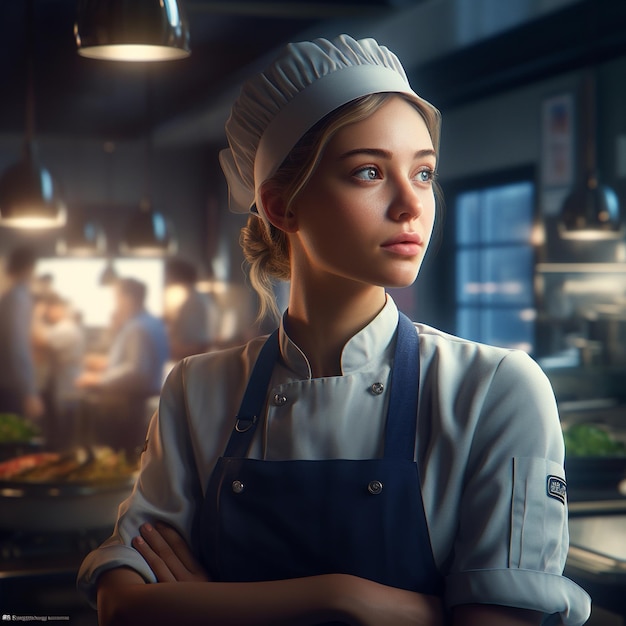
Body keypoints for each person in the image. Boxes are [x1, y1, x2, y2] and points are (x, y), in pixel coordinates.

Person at [77, 35, 591, 625]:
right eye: (369, 172)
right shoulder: (196, 390)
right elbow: (120, 602)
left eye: (424, 173)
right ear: (280, 206)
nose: (410, 205)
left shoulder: (497, 390)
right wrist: (347, 600)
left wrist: (207, 605)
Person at [75, 277, 169, 453]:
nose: (115, 303)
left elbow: (136, 370)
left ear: (128, 298)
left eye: (117, 298)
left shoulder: (137, 326)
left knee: (119, 454)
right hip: (140, 398)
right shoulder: (152, 322)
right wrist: (107, 364)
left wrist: (98, 379)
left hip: (129, 403)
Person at [32, 293, 86, 449]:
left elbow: (40, 340)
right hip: (65, 389)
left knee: (61, 438)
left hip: (66, 391)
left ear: (58, 308)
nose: (48, 313)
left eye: (50, 308)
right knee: (60, 434)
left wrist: (35, 315)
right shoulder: (64, 328)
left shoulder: (65, 329)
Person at [0, 245, 44, 421]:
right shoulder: (18, 298)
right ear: (29, 268)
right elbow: (18, 348)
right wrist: (29, 392)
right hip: (12, 388)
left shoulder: (9, 297)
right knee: (16, 440)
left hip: (7, 384)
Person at [164, 257, 216, 360]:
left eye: (169, 275)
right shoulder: (201, 298)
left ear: (177, 276)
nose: (167, 279)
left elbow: (197, 344)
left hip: (193, 359)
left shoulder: (194, 302)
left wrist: (167, 349)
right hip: (195, 359)